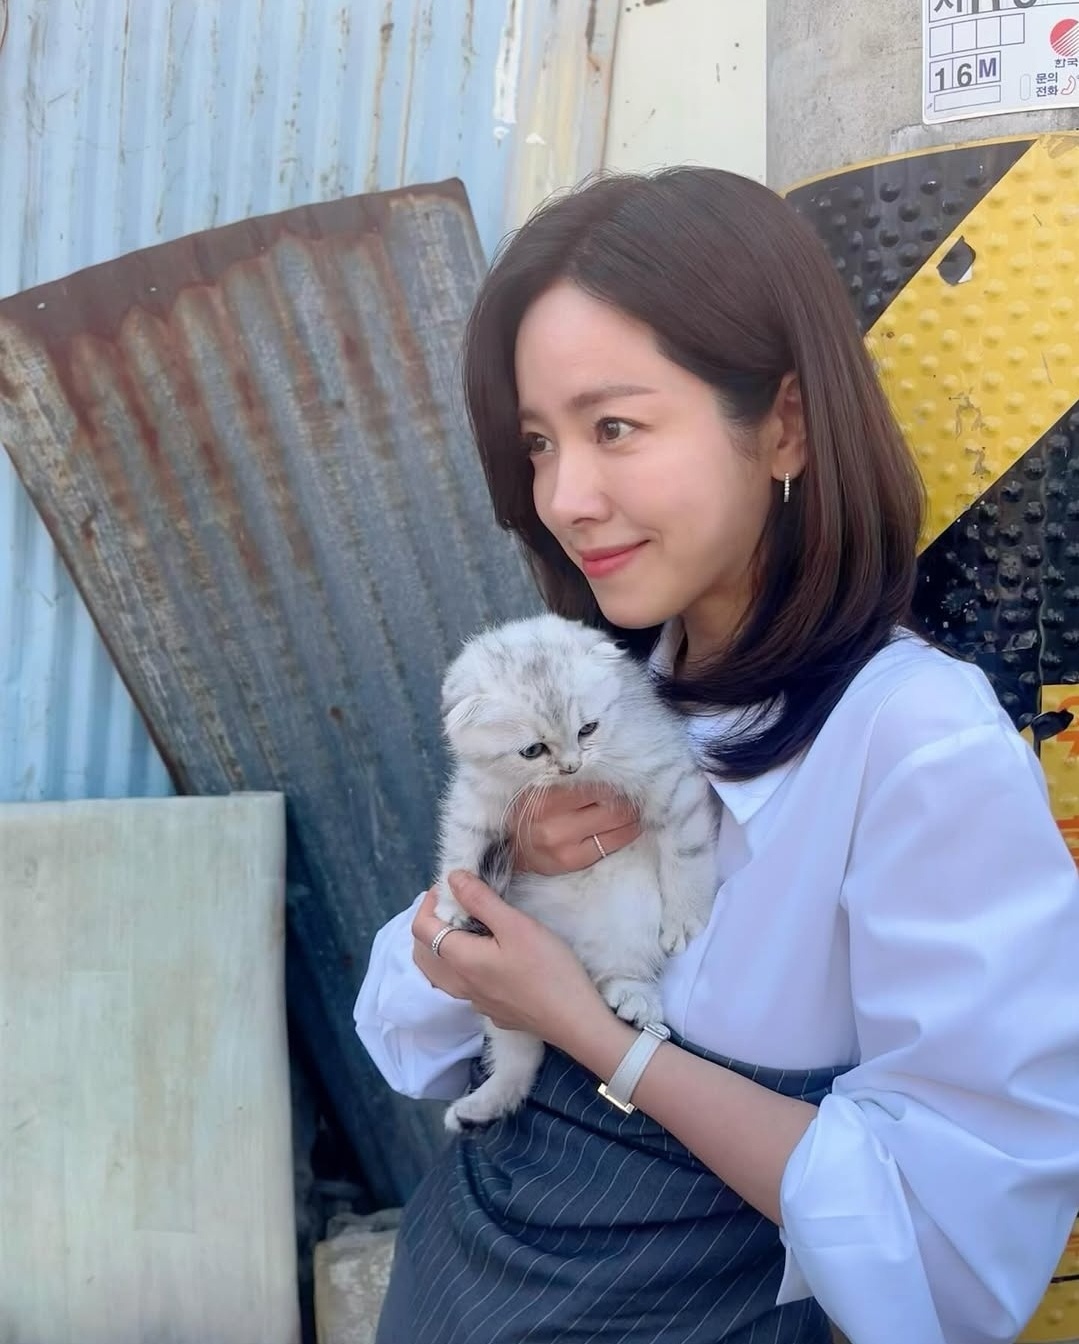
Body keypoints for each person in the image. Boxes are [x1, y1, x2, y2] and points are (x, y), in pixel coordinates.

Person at [353, 167, 1079, 1344]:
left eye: (613, 427)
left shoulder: (909, 742)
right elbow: (402, 1034)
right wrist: (502, 872)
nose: (563, 496)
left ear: (783, 425)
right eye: (536, 443)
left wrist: (595, 1037)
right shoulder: (600, 692)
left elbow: (948, 1248)